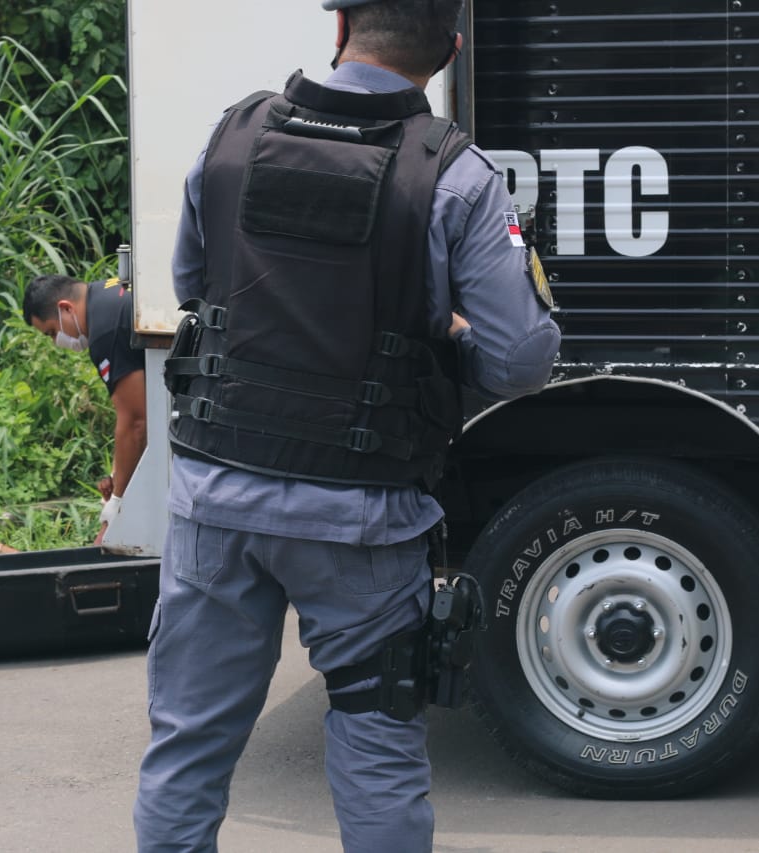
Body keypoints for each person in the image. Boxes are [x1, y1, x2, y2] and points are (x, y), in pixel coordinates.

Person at [133, 1, 561, 850]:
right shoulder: (459, 176)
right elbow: (521, 361)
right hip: (361, 518)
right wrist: (440, 341)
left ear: (338, 30)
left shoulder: (230, 137)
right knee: (377, 748)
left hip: (218, 496)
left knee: (187, 744)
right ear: (449, 53)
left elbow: (192, 282)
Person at [23, 273, 148, 544]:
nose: (56, 341)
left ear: (66, 308)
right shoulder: (108, 290)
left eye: (52, 332)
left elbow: (137, 421)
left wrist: (117, 504)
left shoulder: (105, 330)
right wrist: (118, 474)